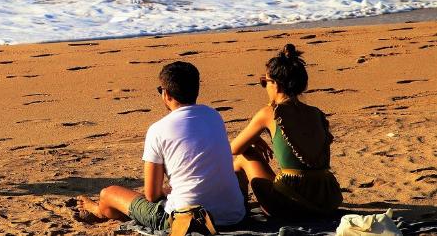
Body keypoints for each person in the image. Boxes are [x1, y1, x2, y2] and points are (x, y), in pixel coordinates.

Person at [75, 61, 246, 231]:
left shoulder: (158, 130)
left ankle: (98, 210)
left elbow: (152, 195)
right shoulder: (214, 116)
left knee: (109, 193)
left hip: (186, 219)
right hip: (233, 215)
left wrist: (164, 192)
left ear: (166, 94)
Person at [231, 44, 343, 217]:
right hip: (326, 200)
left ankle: (240, 209)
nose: (265, 87)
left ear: (275, 84)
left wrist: (253, 139)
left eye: (265, 82)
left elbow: (234, 148)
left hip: (291, 206)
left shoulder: (269, 113)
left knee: (245, 156)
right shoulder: (316, 113)